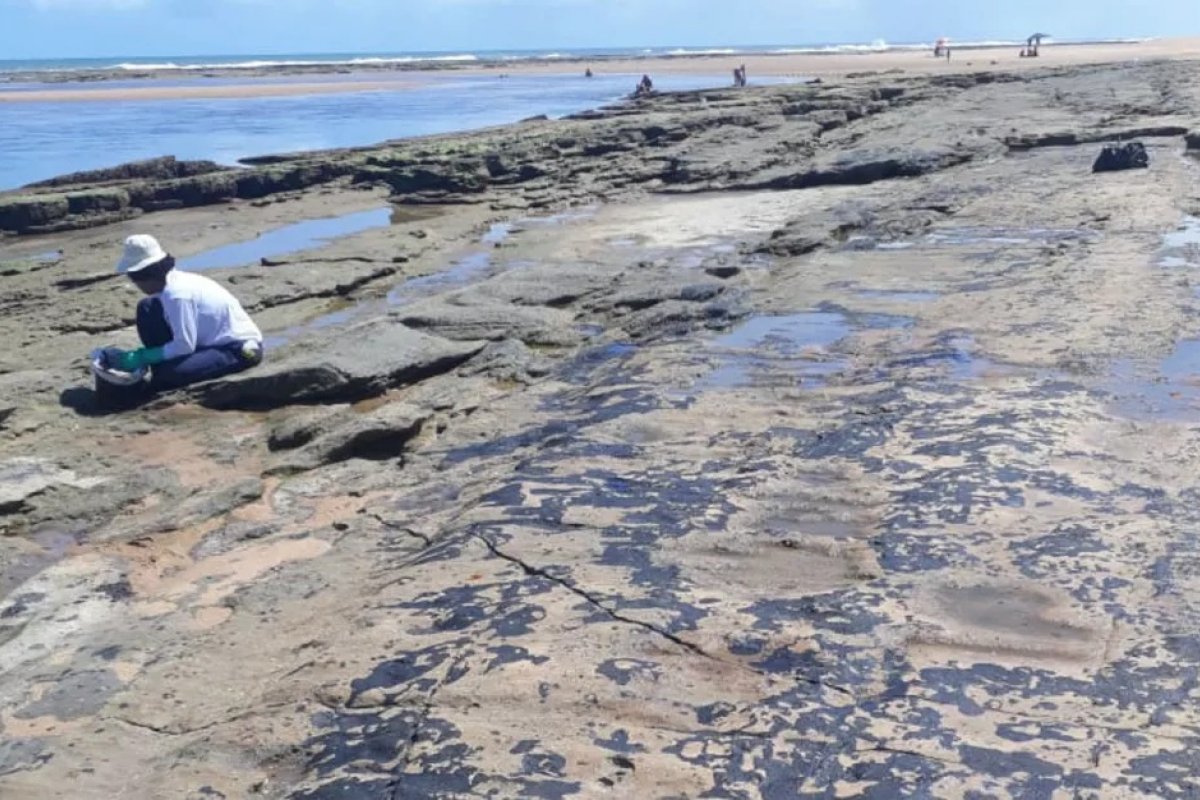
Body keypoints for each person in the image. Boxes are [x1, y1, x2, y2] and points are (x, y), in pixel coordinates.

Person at [104, 234, 263, 392]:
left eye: (134, 279)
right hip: (205, 343)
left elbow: (184, 346)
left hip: (236, 348)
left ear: (144, 276)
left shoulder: (178, 295)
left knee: (170, 374)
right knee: (147, 308)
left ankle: (163, 372)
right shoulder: (172, 284)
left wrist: (144, 356)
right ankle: (161, 367)